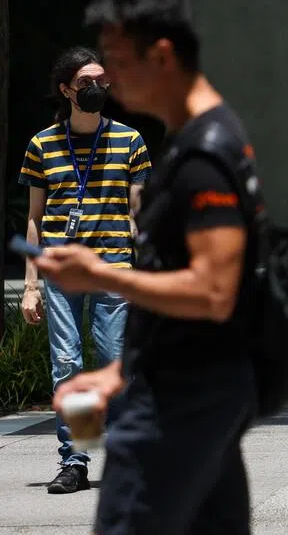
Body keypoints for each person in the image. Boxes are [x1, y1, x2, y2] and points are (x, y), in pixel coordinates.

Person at [37, 0, 261, 533]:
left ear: (160, 55)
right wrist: (119, 374)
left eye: (114, 61)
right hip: (186, 402)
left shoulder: (205, 153)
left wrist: (101, 274)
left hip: (180, 416)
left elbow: (213, 290)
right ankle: (77, 457)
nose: (106, 81)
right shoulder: (197, 140)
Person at [19, 46, 151, 495]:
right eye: (85, 84)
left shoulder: (130, 142)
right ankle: (76, 459)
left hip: (114, 267)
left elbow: (138, 215)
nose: (96, 89)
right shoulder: (43, 145)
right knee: (68, 365)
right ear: (66, 90)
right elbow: (34, 220)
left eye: (102, 82)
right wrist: (30, 285)